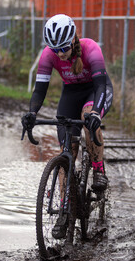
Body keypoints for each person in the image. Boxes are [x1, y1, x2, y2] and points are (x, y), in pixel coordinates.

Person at [22, 13, 113, 194]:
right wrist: (32, 113)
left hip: (95, 90)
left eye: (64, 48)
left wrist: (95, 113)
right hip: (71, 93)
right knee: (67, 149)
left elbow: (100, 85)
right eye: (56, 50)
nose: (61, 54)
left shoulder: (91, 48)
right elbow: (40, 90)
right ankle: (65, 208)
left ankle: (98, 169)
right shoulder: (48, 55)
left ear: (72, 39)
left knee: (87, 117)